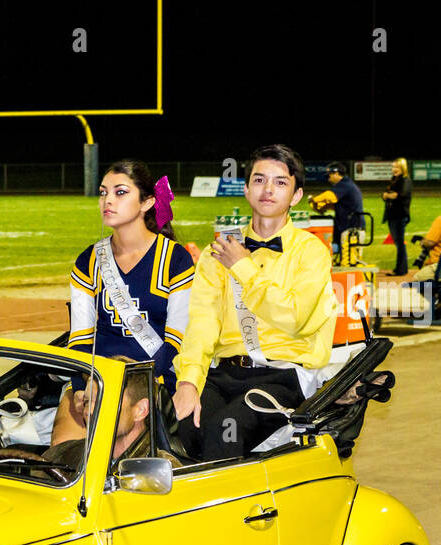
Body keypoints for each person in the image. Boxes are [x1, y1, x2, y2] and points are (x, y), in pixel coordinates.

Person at [173, 144, 337, 462]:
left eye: (280, 182)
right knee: (180, 424)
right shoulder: (217, 251)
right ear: (247, 189)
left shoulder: (311, 251)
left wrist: (242, 268)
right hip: (226, 374)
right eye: (259, 180)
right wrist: (189, 381)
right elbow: (202, 323)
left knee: (225, 429)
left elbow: (295, 317)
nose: (268, 190)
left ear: (296, 195)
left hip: (284, 376)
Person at [68, 159, 193, 396]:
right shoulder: (89, 260)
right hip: (99, 379)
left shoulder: (175, 259)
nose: (108, 200)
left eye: (121, 192)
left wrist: (138, 384)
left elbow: (178, 340)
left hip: (156, 379)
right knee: (65, 428)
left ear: (147, 202)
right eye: (103, 193)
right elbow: (80, 338)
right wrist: (79, 388)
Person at [381, 158, 412, 275]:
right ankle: (400, 268)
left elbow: (400, 195)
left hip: (400, 215)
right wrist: (387, 195)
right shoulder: (394, 180)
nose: (394, 169)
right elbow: (385, 194)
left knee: (400, 244)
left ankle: (401, 270)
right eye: (393, 167)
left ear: (403, 168)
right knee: (398, 243)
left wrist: (389, 195)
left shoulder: (405, 180)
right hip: (392, 216)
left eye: (397, 167)